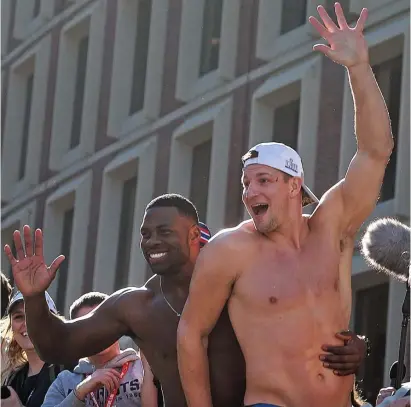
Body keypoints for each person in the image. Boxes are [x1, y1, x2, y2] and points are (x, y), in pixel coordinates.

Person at [177, 3, 393, 407]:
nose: (250, 192)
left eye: (264, 180)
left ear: (295, 186)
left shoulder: (332, 227)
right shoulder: (229, 250)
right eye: (245, 183)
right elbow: (191, 333)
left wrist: (359, 67)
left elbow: (375, 152)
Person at [5, 195, 367, 407]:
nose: (151, 242)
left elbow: (311, 320)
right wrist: (35, 298)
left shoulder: (244, 284)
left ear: (195, 234)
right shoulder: (137, 306)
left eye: (164, 232)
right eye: (145, 234)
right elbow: (56, 345)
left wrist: (354, 348)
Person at [42, 291, 158, 407]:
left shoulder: (142, 368)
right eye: (86, 327)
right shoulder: (64, 382)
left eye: (103, 323)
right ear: (76, 335)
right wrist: (79, 392)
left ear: (119, 326)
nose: (96, 333)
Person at [1, 290, 64, 406]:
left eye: (35, 315)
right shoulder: (13, 378)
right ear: (11, 327)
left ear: (53, 322)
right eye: (19, 317)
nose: (27, 323)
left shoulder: (67, 370)